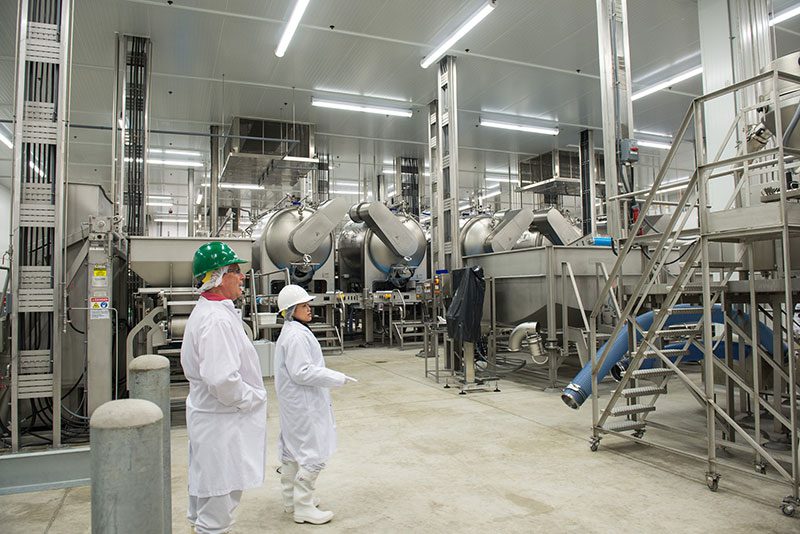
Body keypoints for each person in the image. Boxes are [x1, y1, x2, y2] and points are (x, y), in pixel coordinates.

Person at [180, 242, 267, 534]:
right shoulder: (216, 320)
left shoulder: (214, 312)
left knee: (208, 496)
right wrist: (251, 398)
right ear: (217, 276)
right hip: (221, 423)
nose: (241, 277)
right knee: (218, 506)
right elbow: (221, 379)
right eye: (235, 271)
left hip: (214, 420)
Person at [274, 284, 357, 525]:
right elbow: (302, 372)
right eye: (303, 306)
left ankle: (292, 501)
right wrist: (336, 378)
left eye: (308, 305)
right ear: (290, 311)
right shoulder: (297, 335)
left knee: (291, 451)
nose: (309, 309)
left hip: (295, 404)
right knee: (313, 453)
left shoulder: (292, 331)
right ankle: (304, 507)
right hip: (304, 405)